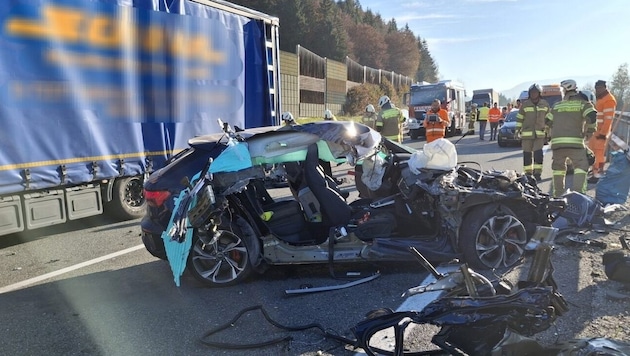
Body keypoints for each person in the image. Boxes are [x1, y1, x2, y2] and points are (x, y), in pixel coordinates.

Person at [545, 79, 597, 197]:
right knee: (581, 166)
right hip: (575, 143)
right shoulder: (582, 104)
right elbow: (592, 116)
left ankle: (557, 197)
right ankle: (578, 197)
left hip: (557, 144)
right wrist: (590, 131)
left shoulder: (557, 105)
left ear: (565, 91)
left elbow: (547, 121)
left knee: (558, 169)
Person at [515, 83, 549, 181]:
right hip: (527, 135)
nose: (534, 94)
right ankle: (528, 174)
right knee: (527, 155)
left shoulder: (544, 104)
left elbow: (549, 119)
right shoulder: (525, 105)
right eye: (532, 92)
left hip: (540, 135)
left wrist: (548, 132)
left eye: (535, 92)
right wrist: (517, 131)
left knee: (538, 155)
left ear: (539, 93)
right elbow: (520, 119)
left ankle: (537, 174)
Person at [588, 80, 617, 183]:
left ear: (605, 87)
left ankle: (598, 175)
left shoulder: (609, 100)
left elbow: (608, 119)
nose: (598, 90)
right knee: (593, 151)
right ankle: (594, 171)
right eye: (596, 88)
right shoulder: (601, 99)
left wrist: (603, 133)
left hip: (601, 132)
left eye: (600, 88)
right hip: (597, 131)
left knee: (599, 154)